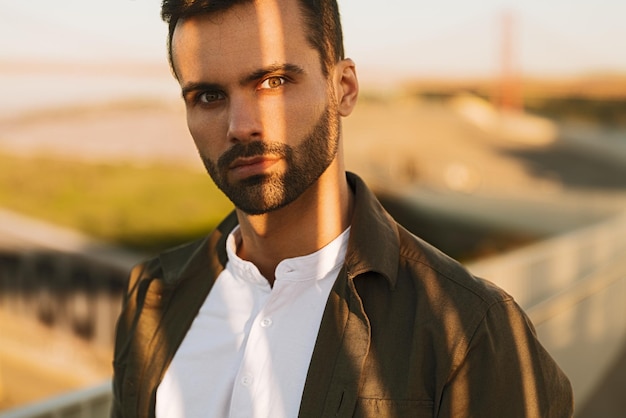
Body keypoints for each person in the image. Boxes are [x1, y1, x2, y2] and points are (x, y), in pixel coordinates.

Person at [111, 0, 574, 416]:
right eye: (209, 96)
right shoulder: (153, 296)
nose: (241, 126)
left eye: (273, 82)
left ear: (344, 88)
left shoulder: (469, 329)